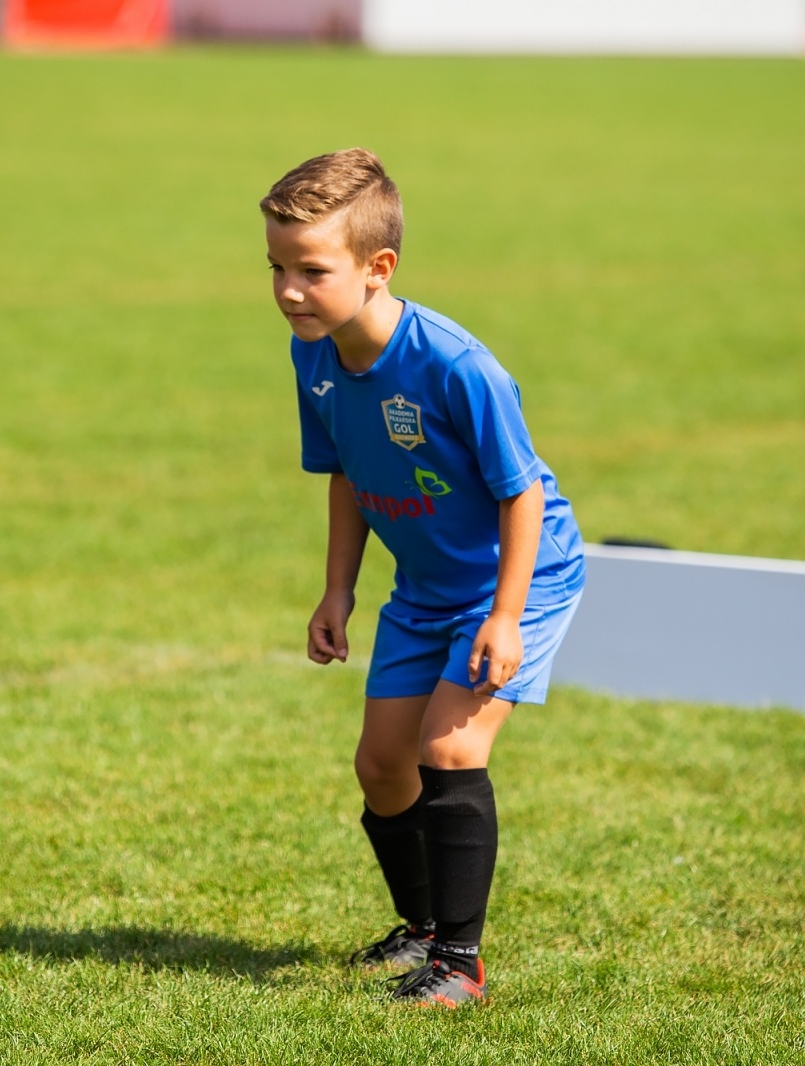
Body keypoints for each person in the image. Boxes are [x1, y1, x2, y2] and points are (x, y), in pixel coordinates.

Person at [260, 149, 587, 1007]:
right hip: (426, 587)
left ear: (379, 268)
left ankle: (461, 966)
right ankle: (424, 929)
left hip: (519, 578)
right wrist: (338, 590)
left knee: (450, 748)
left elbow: (521, 493)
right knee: (381, 765)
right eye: (277, 269)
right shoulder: (314, 354)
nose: (289, 291)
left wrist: (506, 618)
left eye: (312, 271)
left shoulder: (454, 365)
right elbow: (345, 472)